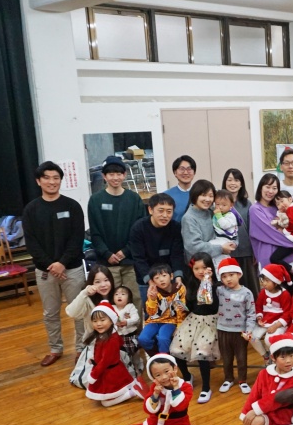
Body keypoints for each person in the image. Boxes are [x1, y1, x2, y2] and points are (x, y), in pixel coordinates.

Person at [23, 161, 86, 367]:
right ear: (38, 181)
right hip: (45, 271)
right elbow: (31, 242)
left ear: (60, 180)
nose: (52, 182)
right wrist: (52, 265)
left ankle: (82, 348)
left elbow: (77, 238)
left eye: (56, 178)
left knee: (79, 310)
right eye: (47, 178)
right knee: (50, 313)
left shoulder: (72, 206)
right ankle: (55, 349)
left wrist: (62, 263)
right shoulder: (31, 209)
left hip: (73, 269)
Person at [87, 155, 146, 311]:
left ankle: (136, 328)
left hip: (130, 262)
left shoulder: (134, 199)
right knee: (110, 302)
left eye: (119, 174)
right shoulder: (95, 200)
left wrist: (125, 251)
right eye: (111, 174)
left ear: (124, 175)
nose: (115, 177)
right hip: (107, 264)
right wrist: (107, 254)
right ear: (104, 176)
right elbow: (95, 232)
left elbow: (140, 231)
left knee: (135, 300)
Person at [169, 252, 221, 404]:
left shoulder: (216, 285)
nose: (200, 271)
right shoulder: (191, 284)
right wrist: (183, 307)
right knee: (177, 350)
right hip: (193, 320)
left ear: (210, 268)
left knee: (201, 353)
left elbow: (209, 303)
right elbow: (192, 306)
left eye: (204, 267)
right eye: (196, 268)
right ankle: (187, 376)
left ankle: (206, 388)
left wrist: (207, 283)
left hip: (211, 322)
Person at [238, 333, 293, 425]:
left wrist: (255, 411)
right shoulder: (264, 374)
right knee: (255, 422)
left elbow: (277, 399)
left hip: (283, 418)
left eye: (292, 356)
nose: (288, 361)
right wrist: (246, 414)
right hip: (266, 415)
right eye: (283, 357)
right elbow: (254, 395)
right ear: (273, 358)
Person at [124, 354, 193, 425]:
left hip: (176, 424)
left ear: (175, 368)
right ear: (153, 377)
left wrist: (176, 389)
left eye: (166, 371)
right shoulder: (155, 387)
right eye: (158, 375)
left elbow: (180, 407)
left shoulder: (185, 387)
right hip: (155, 424)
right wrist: (155, 394)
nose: (164, 377)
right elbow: (148, 409)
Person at [128, 193, 185, 303]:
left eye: (169, 211)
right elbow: (139, 258)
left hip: (169, 279)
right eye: (161, 211)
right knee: (150, 310)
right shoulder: (138, 228)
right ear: (150, 210)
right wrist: (150, 281)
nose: (165, 215)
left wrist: (178, 277)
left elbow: (177, 254)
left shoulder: (175, 227)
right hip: (147, 280)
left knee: (174, 310)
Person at [84, 301, 139, 407]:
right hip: (105, 372)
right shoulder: (103, 335)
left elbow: (105, 361)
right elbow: (100, 352)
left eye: (102, 320)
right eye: (95, 321)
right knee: (105, 399)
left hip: (111, 374)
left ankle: (132, 393)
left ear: (111, 320)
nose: (98, 323)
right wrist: (94, 358)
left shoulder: (111, 339)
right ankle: (129, 391)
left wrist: (94, 375)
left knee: (106, 403)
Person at [215, 257, 257, 395]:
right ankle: (228, 379)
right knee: (226, 357)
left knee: (241, 358)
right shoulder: (219, 291)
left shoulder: (247, 293)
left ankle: (242, 380)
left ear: (239, 274)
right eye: (224, 276)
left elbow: (251, 313)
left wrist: (249, 330)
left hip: (240, 332)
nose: (228, 279)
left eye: (231, 275)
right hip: (223, 329)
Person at [248, 174, 293, 273]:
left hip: (289, 257)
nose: (271, 191)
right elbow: (272, 232)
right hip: (269, 259)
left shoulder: (279, 207)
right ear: (260, 188)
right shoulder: (255, 209)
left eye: (274, 188)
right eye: (267, 187)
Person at [139, 263, 189, 367]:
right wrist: (152, 299)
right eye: (157, 278)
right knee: (143, 339)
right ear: (153, 281)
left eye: (164, 276)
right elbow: (150, 313)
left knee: (163, 338)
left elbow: (181, 310)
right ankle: (156, 358)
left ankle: (166, 362)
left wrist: (179, 326)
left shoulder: (179, 288)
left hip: (170, 320)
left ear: (171, 276)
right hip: (154, 320)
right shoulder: (153, 291)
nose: (161, 280)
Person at [221, 168, 258, 293]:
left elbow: (253, 229)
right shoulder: (219, 203)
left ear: (241, 184)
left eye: (236, 180)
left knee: (250, 286)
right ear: (225, 182)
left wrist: (255, 251)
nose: (233, 183)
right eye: (229, 180)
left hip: (246, 251)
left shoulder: (247, 204)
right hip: (226, 253)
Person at [181, 180, 232, 265]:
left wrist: (232, 243)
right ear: (195, 195)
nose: (207, 199)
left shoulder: (212, 212)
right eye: (203, 195)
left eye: (211, 196)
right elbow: (194, 247)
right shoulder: (188, 218)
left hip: (219, 262)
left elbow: (228, 228)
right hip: (200, 266)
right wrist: (221, 248)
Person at [251, 264, 292, 362]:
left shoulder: (284, 294)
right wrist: (259, 318)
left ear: (276, 282)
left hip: (278, 324)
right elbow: (258, 307)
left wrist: (276, 326)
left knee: (268, 340)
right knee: (252, 338)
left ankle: (273, 358)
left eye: (267, 280)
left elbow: (287, 314)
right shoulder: (263, 292)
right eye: (263, 280)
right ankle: (265, 355)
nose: (264, 283)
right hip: (265, 322)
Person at [65, 264, 115, 336]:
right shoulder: (87, 299)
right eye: (97, 282)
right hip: (95, 339)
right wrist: (84, 293)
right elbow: (72, 313)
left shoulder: (117, 296)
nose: (103, 285)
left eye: (106, 280)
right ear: (91, 283)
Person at [270, 190, 293, 273]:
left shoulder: (291, 209)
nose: (281, 205)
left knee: (274, 258)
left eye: (282, 201)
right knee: (275, 258)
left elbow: (292, 223)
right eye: (278, 204)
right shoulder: (289, 210)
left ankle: (292, 269)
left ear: (290, 199)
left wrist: (284, 231)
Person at [210, 189, 242, 267]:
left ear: (231, 205)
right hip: (219, 238)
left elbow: (224, 225)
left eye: (224, 205)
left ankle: (222, 268)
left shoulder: (230, 215)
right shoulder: (217, 212)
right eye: (217, 204)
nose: (220, 207)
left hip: (227, 239)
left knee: (213, 248)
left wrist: (218, 215)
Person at [165, 155, 196, 223]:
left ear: (194, 172)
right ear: (175, 173)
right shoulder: (166, 195)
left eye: (189, 169)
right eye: (182, 169)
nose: (185, 172)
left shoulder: (200, 193)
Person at [113, 285, 140, 359]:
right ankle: (126, 364)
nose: (119, 296)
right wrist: (115, 324)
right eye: (116, 294)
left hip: (130, 335)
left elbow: (136, 318)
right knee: (121, 354)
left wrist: (127, 322)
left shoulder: (130, 306)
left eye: (123, 294)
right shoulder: (112, 307)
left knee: (135, 352)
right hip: (117, 336)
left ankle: (138, 364)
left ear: (129, 298)